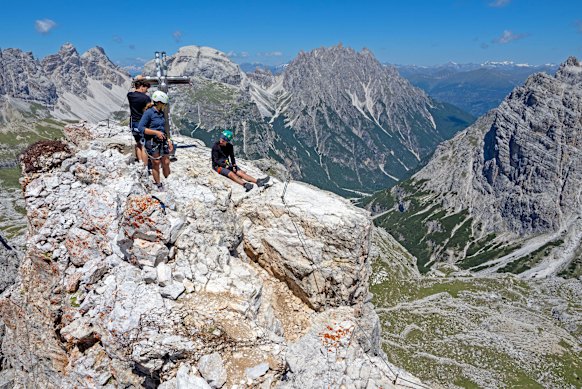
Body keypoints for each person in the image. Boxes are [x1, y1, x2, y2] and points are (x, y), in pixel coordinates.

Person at [138, 90, 174, 191]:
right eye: (164, 104)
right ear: (159, 102)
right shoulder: (149, 113)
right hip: (152, 141)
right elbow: (141, 127)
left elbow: (164, 128)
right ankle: (158, 184)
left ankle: (168, 181)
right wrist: (156, 133)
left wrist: (169, 140)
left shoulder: (161, 113)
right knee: (156, 163)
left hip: (162, 141)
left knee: (166, 162)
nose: (165, 106)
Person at [127, 78, 152, 165]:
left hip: (133, 123)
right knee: (144, 145)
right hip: (142, 124)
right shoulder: (146, 98)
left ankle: (140, 164)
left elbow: (132, 90)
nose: (146, 91)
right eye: (146, 88)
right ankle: (144, 167)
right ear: (142, 87)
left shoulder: (130, 95)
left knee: (138, 144)